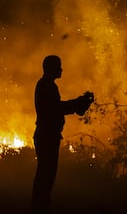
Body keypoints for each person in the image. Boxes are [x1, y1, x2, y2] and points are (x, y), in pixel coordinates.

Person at [31, 55, 94, 213]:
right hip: (47, 136)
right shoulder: (47, 86)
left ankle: (39, 206)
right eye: (58, 66)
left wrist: (77, 104)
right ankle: (39, 207)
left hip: (47, 134)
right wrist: (77, 104)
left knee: (46, 174)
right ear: (50, 68)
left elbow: (57, 108)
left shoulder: (46, 85)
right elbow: (55, 109)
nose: (61, 69)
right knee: (46, 175)